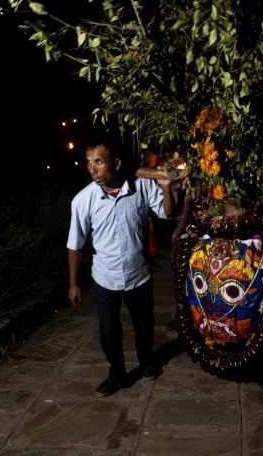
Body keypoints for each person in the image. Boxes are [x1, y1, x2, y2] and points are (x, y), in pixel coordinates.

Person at [67, 133, 174, 397]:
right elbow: (75, 245)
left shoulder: (141, 186)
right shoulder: (83, 201)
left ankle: (147, 360)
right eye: (89, 162)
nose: (92, 168)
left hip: (138, 274)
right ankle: (117, 373)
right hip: (105, 278)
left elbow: (167, 213)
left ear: (116, 162)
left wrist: (165, 188)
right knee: (108, 331)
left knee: (144, 325)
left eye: (99, 162)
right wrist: (73, 283)